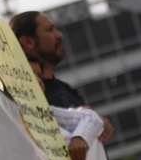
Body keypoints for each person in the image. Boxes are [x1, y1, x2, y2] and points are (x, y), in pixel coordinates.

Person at [11, 11, 115, 142]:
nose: (59, 35)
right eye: (49, 30)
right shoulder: (18, 97)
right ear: (28, 42)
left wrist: (98, 124)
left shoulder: (66, 89)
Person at [26, 53, 104, 160]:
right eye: (29, 75)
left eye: (40, 76)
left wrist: (80, 137)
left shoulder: (47, 113)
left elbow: (91, 116)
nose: (39, 81)